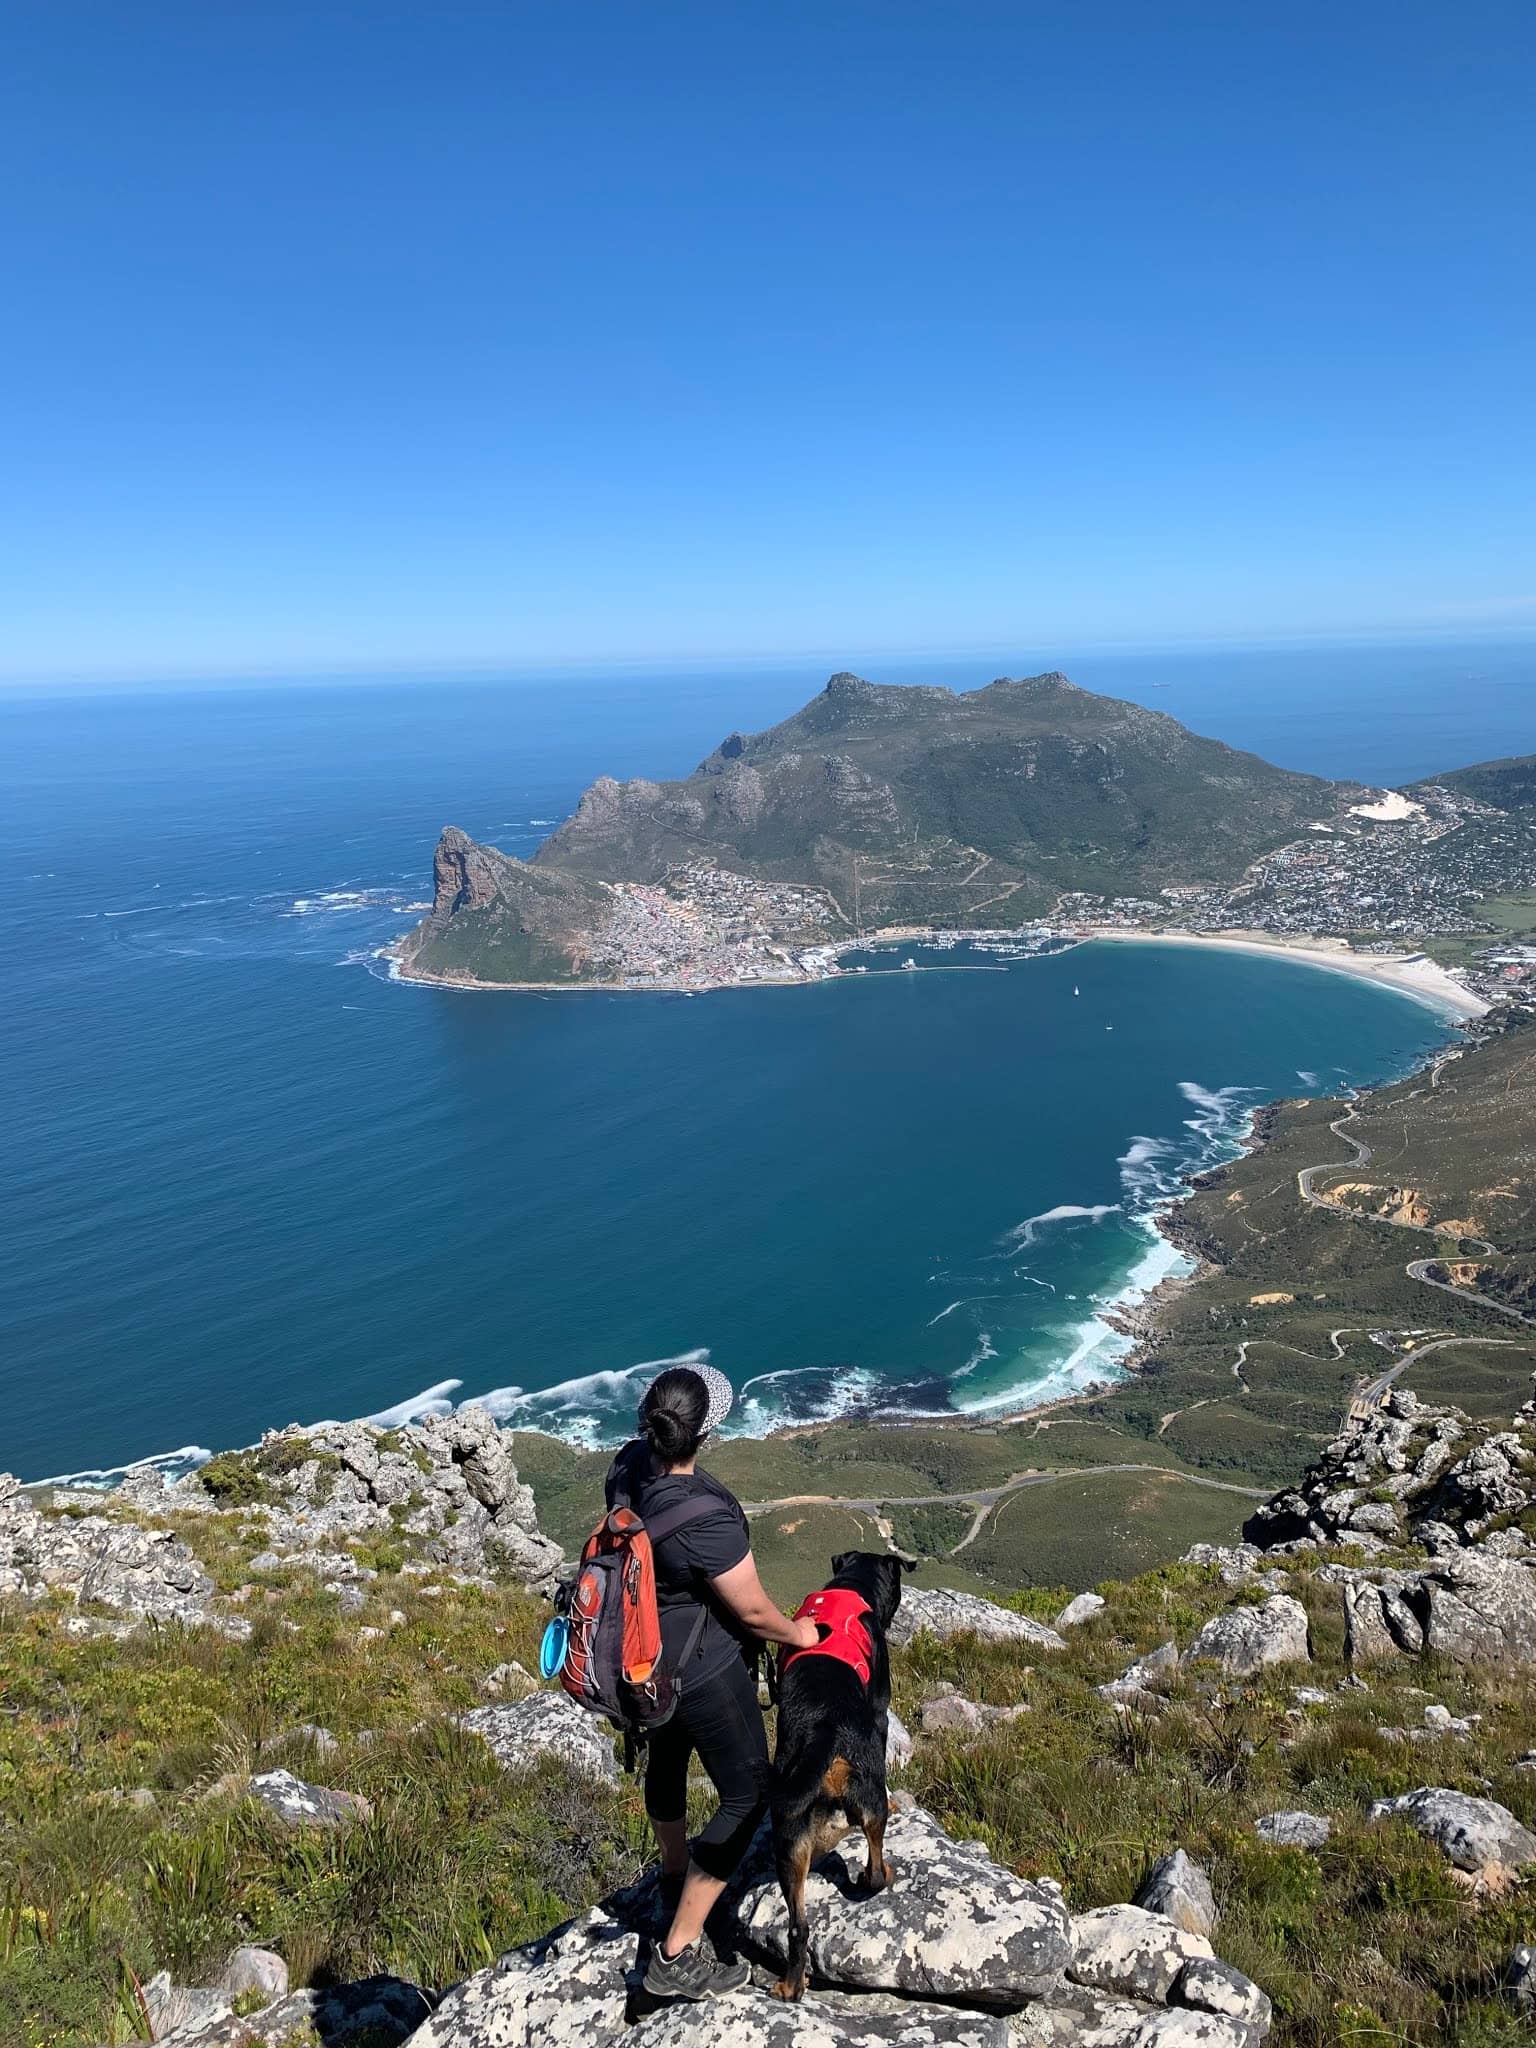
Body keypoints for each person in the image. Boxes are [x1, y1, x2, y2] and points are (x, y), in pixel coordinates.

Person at [606, 1362, 819, 2002]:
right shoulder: (706, 1519)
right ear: (704, 1436)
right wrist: (800, 1636)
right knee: (748, 1796)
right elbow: (751, 1610)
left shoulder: (624, 1465)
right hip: (704, 1670)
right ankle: (676, 1954)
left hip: (640, 1661)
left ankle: (675, 1872)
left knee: (666, 1762)